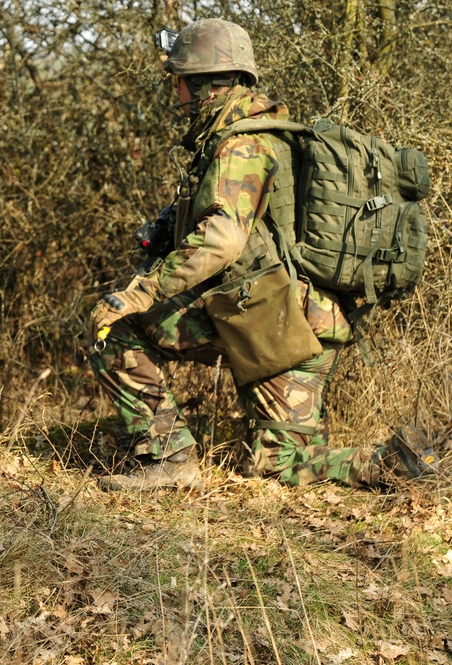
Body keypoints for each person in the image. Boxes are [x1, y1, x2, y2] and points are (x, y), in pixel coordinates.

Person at [87, 19, 438, 491]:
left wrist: (142, 291)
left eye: (180, 83)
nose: (177, 96)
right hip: (308, 322)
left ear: (205, 85)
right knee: (282, 465)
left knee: (114, 325)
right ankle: (404, 463)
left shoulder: (241, 145)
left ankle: (169, 459)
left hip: (274, 322)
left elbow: (222, 241)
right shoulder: (273, 134)